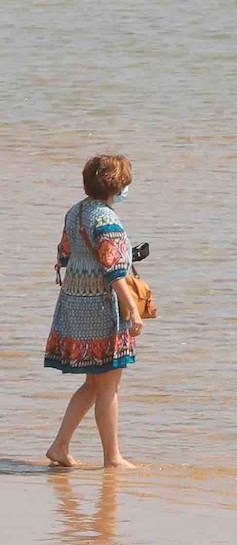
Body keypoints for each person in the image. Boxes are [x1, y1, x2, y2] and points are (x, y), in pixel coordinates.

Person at [45, 154, 142, 469]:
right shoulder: (108, 220)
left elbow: (64, 254)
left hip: (75, 303)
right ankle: (112, 457)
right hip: (101, 306)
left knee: (93, 383)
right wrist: (132, 309)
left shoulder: (76, 211)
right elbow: (114, 270)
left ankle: (60, 446)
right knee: (109, 385)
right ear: (117, 186)